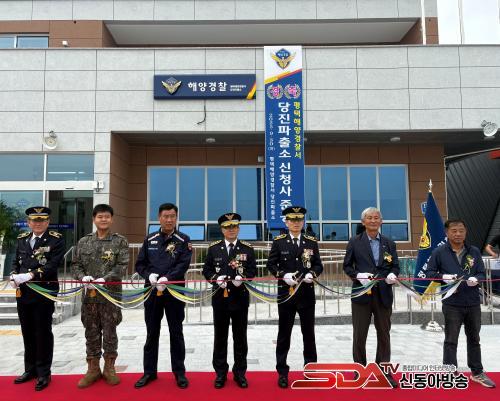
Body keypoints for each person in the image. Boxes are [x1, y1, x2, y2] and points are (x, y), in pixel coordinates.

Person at [425, 218, 496, 388]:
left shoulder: (474, 251)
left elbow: (481, 273)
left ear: (466, 232)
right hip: (452, 303)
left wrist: (476, 279)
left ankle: (477, 372)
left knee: (474, 338)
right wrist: (443, 277)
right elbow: (430, 273)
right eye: (454, 231)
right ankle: (449, 372)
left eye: (461, 231)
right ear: (447, 233)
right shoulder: (439, 252)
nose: (458, 234)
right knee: (451, 339)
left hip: (472, 302)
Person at [134, 203, 192, 389]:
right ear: (159, 218)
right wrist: (148, 275)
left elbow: (183, 264)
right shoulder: (149, 239)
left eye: (172, 216)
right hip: (152, 292)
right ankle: (149, 372)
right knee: (152, 332)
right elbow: (140, 264)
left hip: (174, 291)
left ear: (176, 218)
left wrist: (168, 278)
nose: (169, 220)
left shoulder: (183, 240)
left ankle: (179, 372)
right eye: (166, 216)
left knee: (176, 332)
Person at [72, 204, 129, 388]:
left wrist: (105, 279)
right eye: (100, 217)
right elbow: (75, 265)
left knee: (110, 332)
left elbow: (122, 265)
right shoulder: (83, 242)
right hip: (90, 297)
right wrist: (83, 277)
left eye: (107, 217)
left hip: (110, 296)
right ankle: (93, 368)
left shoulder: (119, 241)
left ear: (112, 219)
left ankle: (109, 367)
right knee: (91, 331)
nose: (103, 219)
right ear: (94, 219)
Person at [266, 206, 323, 388]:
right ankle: (282, 372)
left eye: (299, 220)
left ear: (303, 222)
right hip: (286, 295)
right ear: (287, 222)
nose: (296, 223)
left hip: (306, 295)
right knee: (284, 335)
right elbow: (271, 264)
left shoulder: (311, 242)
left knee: (309, 334)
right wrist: (283, 275)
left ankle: (310, 370)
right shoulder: (279, 242)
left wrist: (312, 273)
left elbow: (318, 265)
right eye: (292, 220)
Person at [342, 207, 399, 388]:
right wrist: (358, 275)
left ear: (381, 221)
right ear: (363, 222)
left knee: (384, 334)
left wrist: (392, 275)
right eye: (369, 218)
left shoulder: (389, 243)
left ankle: (384, 370)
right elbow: (347, 266)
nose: (373, 221)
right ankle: (360, 370)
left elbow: (395, 266)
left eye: (376, 218)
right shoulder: (354, 242)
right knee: (359, 334)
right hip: (361, 294)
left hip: (383, 294)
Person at [10, 206, 65, 391]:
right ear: (28, 222)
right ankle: (30, 369)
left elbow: (53, 264)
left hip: (43, 291)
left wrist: (31, 275)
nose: (38, 223)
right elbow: (16, 261)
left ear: (48, 222)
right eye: (34, 220)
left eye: (42, 220)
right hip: (24, 292)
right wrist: (14, 275)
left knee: (42, 332)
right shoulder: (22, 239)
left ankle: (43, 372)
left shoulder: (56, 239)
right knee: (27, 331)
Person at [202, 212, 257, 389]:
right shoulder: (214, 248)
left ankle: (240, 373)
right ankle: (220, 373)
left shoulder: (247, 248)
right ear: (222, 229)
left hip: (240, 299)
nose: (231, 229)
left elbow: (253, 270)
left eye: (234, 226)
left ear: (238, 228)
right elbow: (206, 270)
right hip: (220, 300)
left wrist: (243, 278)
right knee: (220, 337)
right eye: (227, 227)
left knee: (240, 337)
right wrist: (215, 279)